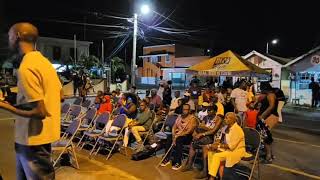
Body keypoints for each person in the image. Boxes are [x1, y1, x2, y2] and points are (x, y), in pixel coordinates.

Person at [0, 22, 62, 179]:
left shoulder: (27, 66)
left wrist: (4, 106)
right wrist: (16, 101)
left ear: (17, 36)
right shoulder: (45, 64)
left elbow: (40, 112)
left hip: (32, 141)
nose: (8, 39)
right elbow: (59, 95)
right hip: (36, 138)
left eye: (9, 35)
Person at [181, 105, 223, 179]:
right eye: (208, 110)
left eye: (210, 110)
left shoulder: (218, 119)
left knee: (204, 147)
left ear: (215, 111)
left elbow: (213, 131)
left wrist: (203, 131)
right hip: (204, 136)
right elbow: (201, 127)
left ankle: (204, 171)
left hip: (213, 138)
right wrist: (200, 132)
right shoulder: (205, 117)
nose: (208, 112)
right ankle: (189, 165)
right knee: (193, 142)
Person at [207, 112, 245, 180]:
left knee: (217, 156)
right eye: (225, 118)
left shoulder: (237, 130)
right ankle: (214, 174)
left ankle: (212, 178)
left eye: (227, 118)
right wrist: (215, 144)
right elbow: (221, 138)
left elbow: (231, 147)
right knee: (210, 151)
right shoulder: (226, 127)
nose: (225, 119)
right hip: (227, 149)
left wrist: (218, 146)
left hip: (236, 151)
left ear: (233, 120)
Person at [161, 104, 198, 170]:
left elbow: (189, 131)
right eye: (184, 109)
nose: (185, 111)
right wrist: (173, 135)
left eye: (187, 109)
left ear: (189, 110)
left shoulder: (192, 118)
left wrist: (177, 136)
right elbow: (174, 127)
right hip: (178, 135)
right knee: (169, 137)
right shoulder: (179, 117)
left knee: (178, 140)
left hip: (187, 136)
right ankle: (167, 158)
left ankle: (178, 162)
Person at [257, 81, 279, 164]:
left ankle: (268, 157)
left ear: (265, 88)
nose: (260, 90)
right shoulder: (267, 95)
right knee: (266, 136)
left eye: (261, 88)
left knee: (265, 136)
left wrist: (262, 115)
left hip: (271, 117)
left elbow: (271, 106)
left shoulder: (271, 95)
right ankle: (269, 154)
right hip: (267, 117)